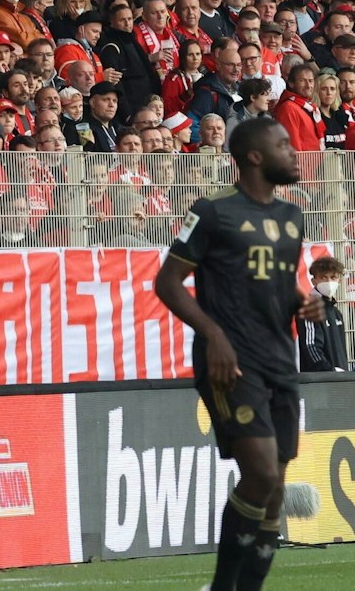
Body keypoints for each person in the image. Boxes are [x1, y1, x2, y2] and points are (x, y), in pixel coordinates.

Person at [154, 116, 324, 591]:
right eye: (283, 145)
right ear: (254, 156)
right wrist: (213, 334)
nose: (293, 151)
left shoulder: (292, 216)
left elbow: (278, 285)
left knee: (274, 490)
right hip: (231, 362)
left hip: (279, 360)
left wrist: (303, 302)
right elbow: (168, 283)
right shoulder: (212, 212)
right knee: (262, 474)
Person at [298, 256, 347, 373]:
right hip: (319, 380)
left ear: (339, 281)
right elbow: (310, 347)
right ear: (314, 281)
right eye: (323, 278)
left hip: (340, 378)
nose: (329, 282)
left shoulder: (336, 312)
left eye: (333, 277)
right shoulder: (309, 309)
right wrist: (330, 370)